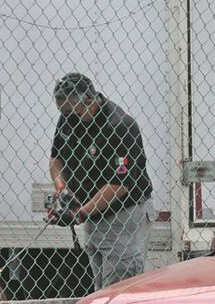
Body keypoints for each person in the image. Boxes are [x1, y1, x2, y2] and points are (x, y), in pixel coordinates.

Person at [49, 73, 154, 290]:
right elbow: (56, 159)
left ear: (89, 100)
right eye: (63, 112)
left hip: (123, 216)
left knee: (119, 291)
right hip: (93, 216)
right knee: (101, 291)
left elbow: (119, 186)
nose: (68, 117)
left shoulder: (119, 126)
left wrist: (80, 213)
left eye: (72, 112)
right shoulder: (68, 117)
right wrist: (63, 190)